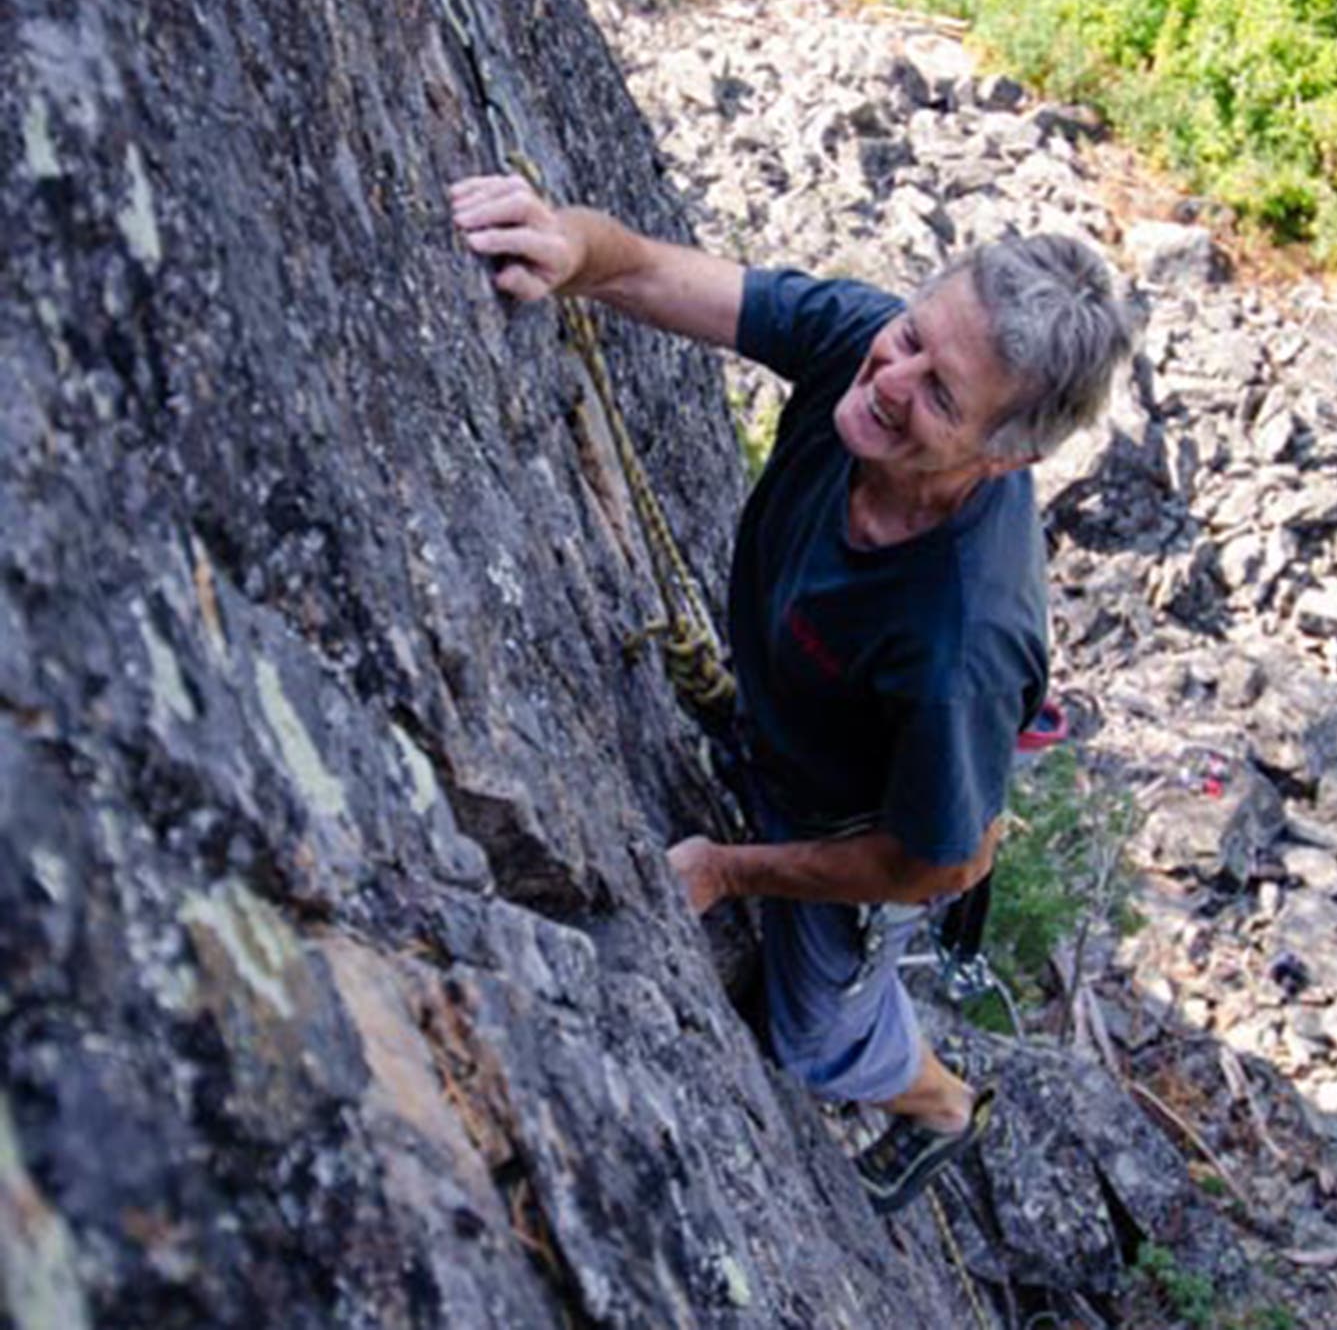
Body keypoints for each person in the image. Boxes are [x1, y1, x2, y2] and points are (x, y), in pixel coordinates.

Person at [449, 172, 1133, 1212]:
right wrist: (569, 248)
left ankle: (944, 1105)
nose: (891, 380)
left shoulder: (960, 634)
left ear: (1008, 458)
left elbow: (936, 858)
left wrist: (731, 869)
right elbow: (654, 269)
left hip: (861, 825)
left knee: (813, 1035)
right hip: (796, 729)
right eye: (910, 336)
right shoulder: (874, 350)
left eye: (941, 396)